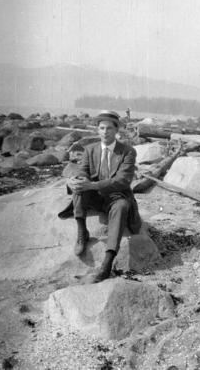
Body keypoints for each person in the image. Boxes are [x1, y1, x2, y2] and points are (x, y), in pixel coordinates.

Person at [59, 110, 141, 283]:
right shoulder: (90, 149)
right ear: (97, 130)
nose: (105, 132)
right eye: (102, 128)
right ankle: (82, 232)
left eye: (109, 128)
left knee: (121, 207)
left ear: (116, 130)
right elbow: (83, 170)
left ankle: (107, 263)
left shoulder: (128, 151)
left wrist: (93, 185)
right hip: (96, 196)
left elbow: (123, 181)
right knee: (80, 185)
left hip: (116, 196)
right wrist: (76, 180)